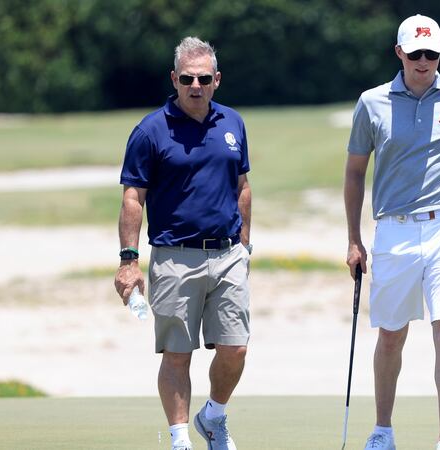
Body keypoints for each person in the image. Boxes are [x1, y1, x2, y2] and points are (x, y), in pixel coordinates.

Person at [344, 14, 440, 450]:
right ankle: (382, 430)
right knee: (391, 334)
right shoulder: (372, 103)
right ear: (399, 54)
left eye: (431, 54)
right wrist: (354, 239)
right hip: (394, 230)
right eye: (415, 54)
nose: (423, 61)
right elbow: (355, 173)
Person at [114, 36, 252, 450]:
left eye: (204, 78)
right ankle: (179, 439)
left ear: (217, 80)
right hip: (174, 257)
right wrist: (128, 261)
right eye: (188, 78)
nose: (196, 85)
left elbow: (242, 185)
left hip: (228, 255)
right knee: (177, 354)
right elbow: (132, 196)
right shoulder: (150, 130)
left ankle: (213, 416)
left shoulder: (233, 123)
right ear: (174, 79)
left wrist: (245, 245)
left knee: (236, 348)